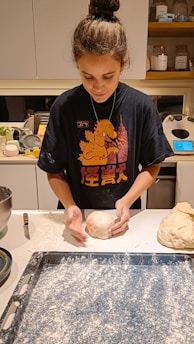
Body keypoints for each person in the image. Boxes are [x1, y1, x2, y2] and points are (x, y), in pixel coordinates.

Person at [38, 0, 173, 243]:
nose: (98, 87)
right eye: (87, 76)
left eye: (108, 76)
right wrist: (70, 206)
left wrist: (127, 200)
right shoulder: (64, 107)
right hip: (76, 220)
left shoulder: (141, 106)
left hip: (125, 216)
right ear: (77, 66)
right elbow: (54, 171)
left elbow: (152, 166)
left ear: (123, 65)